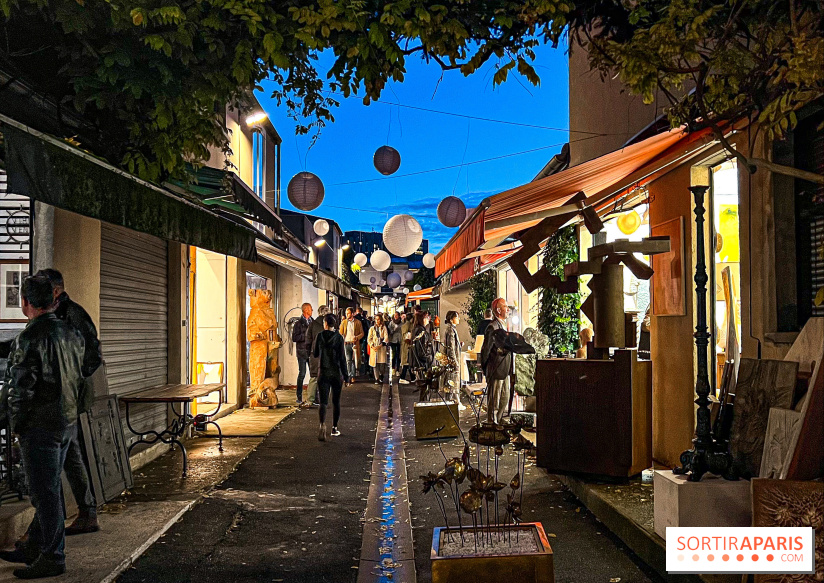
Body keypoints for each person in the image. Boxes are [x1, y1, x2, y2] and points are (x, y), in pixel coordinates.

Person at [0, 276, 86, 579]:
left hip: (41, 427)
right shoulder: (72, 333)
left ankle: (52, 556)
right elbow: (81, 378)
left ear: (25, 303)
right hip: (66, 422)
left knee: (45, 495)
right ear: (53, 300)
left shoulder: (30, 338)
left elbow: (21, 389)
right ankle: (37, 546)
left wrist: (15, 424)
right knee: (50, 492)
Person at [34, 269, 103, 536]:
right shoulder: (57, 314)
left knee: (57, 460)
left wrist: (72, 377)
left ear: (55, 290)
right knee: (71, 453)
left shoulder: (72, 314)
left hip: (67, 396)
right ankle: (86, 512)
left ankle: (39, 534)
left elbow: (93, 354)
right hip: (64, 397)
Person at [314, 314, 349, 441]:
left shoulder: (320, 336)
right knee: (336, 401)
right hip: (336, 372)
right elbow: (342, 358)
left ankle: (322, 424)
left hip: (323, 371)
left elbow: (315, 353)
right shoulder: (339, 338)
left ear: (325, 324)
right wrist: (346, 376)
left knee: (323, 401)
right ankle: (334, 428)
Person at [480, 298, 511, 424]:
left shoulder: (504, 325)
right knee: (495, 400)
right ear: (498, 310)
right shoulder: (492, 327)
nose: (508, 309)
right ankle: (492, 425)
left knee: (505, 397)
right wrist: (485, 368)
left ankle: (498, 423)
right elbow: (486, 350)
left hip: (505, 369)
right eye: (505, 307)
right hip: (496, 369)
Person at [306, 305, 330, 407]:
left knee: (314, 377)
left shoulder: (312, 324)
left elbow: (308, 340)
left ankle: (310, 400)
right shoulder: (330, 324)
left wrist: (309, 353)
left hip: (314, 354)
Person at [291, 303, 313, 406]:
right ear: (306, 310)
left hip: (311, 352)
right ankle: (299, 396)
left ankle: (314, 397)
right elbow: (294, 338)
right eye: (310, 309)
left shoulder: (313, 322)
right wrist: (306, 336)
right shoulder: (298, 324)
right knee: (302, 374)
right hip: (302, 352)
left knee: (314, 374)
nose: (312, 310)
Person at [410, 311, 435, 398]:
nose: (428, 319)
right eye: (426, 317)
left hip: (417, 364)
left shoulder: (415, 330)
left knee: (423, 390)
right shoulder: (422, 333)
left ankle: (423, 408)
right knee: (425, 390)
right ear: (422, 319)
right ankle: (424, 409)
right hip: (423, 364)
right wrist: (430, 359)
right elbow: (422, 352)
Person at [441, 311, 463, 408]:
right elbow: (450, 347)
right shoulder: (451, 330)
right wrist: (455, 362)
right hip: (452, 362)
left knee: (451, 383)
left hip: (451, 361)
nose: (458, 319)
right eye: (456, 317)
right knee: (452, 383)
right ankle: (454, 403)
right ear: (451, 319)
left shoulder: (451, 329)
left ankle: (453, 402)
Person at [339, 308, 363, 386]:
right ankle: (349, 376)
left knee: (354, 360)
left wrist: (357, 337)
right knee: (348, 360)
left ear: (352, 314)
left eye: (348, 313)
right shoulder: (344, 322)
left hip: (354, 344)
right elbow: (340, 332)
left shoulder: (358, 322)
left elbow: (362, 333)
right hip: (346, 343)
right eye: (346, 313)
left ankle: (352, 375)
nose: (347, 315)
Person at [367, 314, 389, 385]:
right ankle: (376, 378)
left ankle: (381, 375)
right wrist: (372, 346)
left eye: (378, 319)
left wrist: (381, 345)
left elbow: (386, 338)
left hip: (381, 348)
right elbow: (369, 339)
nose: (377, 321)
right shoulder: (372, 328)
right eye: (376, 319)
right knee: (375, 364)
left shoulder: (384, 328)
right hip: (374, 348)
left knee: (382, 364)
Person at [398, 310, 415, 384]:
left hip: (406, 346)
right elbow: (406, 336)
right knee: (407, 362)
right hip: (407, 346)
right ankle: (402, 377)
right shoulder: (408, 325)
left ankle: (412, 377)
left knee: (408, 362)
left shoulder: (406, 325)